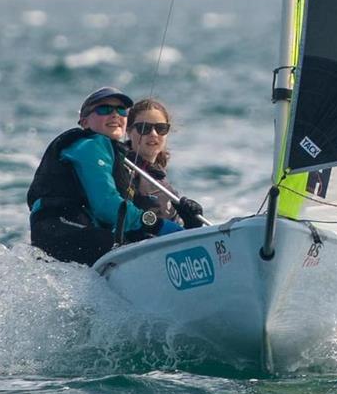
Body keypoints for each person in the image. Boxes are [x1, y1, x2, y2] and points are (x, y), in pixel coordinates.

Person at [28, 86, 182, 266]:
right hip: (57, 227)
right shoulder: (89, 146)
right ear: (85, 122)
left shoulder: (116, 155)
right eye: (104, 109)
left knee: (127, 243)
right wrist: (154, 223)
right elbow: (106, 205)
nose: (115, 114)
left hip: (79, 228)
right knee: (120, 248)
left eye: (120, 110)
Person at [125, 98, 205, 228]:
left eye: (161, 128)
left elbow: (178, 234)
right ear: (128, 131)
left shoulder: (163, 182)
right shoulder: (123, 170)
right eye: (144, 128)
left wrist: (192, 223)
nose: (153, 134)